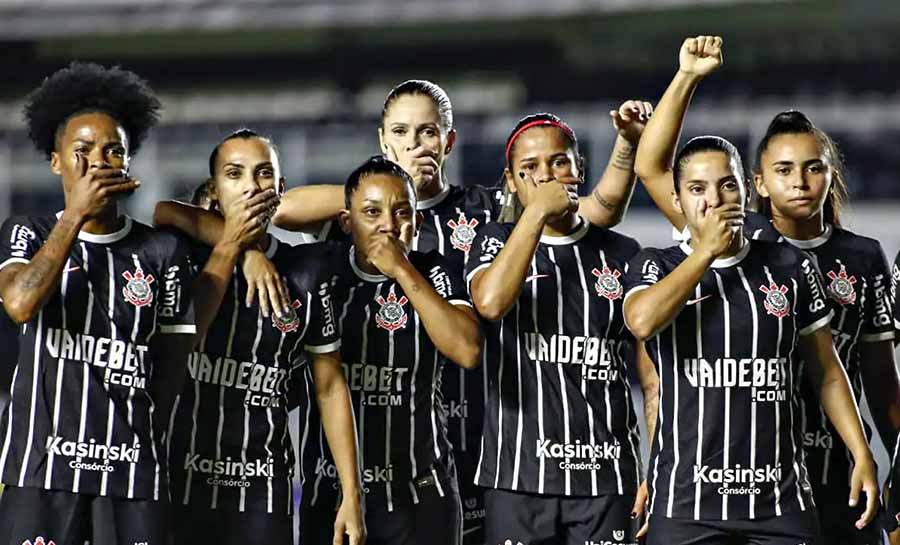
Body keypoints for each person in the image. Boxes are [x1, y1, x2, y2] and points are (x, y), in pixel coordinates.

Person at [270, 79, 652, 545]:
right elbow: (283, 209)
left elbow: (589, 209)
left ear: (449, 141)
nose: (415, 143)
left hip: (475, 428)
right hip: (370, 430)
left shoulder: (486, 208)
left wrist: (626, 147)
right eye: (402, 131)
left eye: (428, 132)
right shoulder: (366, 215)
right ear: (383, 139)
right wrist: (390, 192)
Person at [634, 35, 900, 545]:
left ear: (830, 174)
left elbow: (876, 381)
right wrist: (687, 77)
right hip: (752, 466)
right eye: (783, 170)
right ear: (758, 182)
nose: (799, 181)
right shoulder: (740, 232)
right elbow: (654, 167)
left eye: (813, 167)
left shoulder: (864, 257)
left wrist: (889, 467)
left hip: (833, 467)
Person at [0, 62, 196, 545]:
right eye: (82, 151)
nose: (98, 162)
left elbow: (173, 366)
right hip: (42, 467)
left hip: (131, 473)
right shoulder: (29, 232)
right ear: (56, 161)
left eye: (114, 151)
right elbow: (20, 304)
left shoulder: (162, 251)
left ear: (128, 164)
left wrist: (142, 434)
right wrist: (75, 218)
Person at [154, 130, 366, 545]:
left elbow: (328, 386)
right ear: (213, 191)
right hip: (182, 479)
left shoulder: (305, 272)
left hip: (263, 488)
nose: (252, 185)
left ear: (281, 189)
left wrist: (351, 495)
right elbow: (165, 210)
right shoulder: (185, 257)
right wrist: (245, 251)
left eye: (265, 173)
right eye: (236, 174)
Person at [465, 113, 645, 544]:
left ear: (579, 168)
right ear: (510, 181)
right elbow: (489, 303)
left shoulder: (623, 252)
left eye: (559, 162)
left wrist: (652, 466)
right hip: (519, 475)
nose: (546, 176)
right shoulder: (493, 240)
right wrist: (537, 214)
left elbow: (651, 375)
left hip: (605, 475)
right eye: (529, 168)